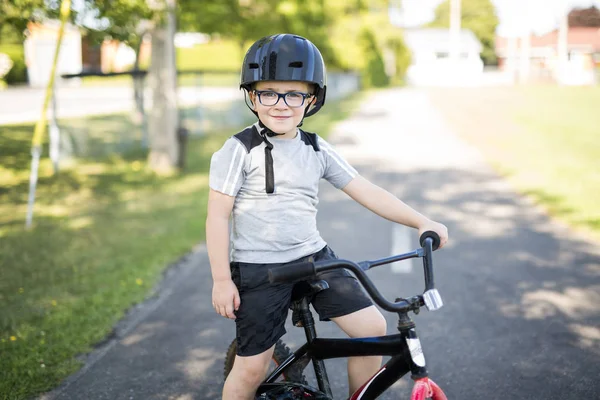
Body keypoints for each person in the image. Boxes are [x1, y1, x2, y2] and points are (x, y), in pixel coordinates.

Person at [207, 33, 448, 400]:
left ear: (312, 98)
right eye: (269, 93)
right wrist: (222, 280)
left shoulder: (316, 147)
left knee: (371, 328)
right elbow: (217, 217)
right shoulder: (239, 149)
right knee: (252, 368)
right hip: (259, 268)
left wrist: (421, 221)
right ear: (253, 97)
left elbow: (364, 189)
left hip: (313, 258)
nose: (281, 104)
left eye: (294, 94)